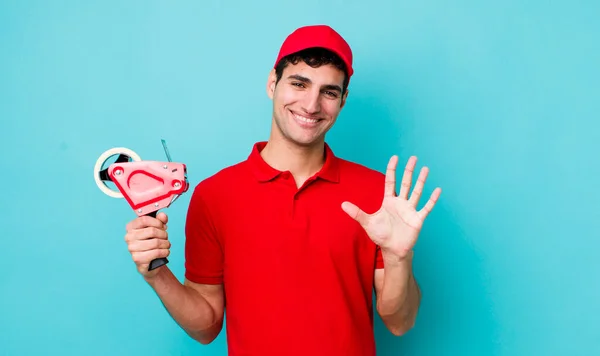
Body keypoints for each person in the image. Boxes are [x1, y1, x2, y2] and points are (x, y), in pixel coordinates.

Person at [124, 24, 441, 355]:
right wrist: (156, 274)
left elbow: (399, 322)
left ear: (343, 101)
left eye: (329, 92)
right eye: (299, 84)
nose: (311, 104)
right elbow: (205, 327)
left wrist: (398, 256)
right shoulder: (215, 195)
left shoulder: (377, 193)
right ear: (272, 83)